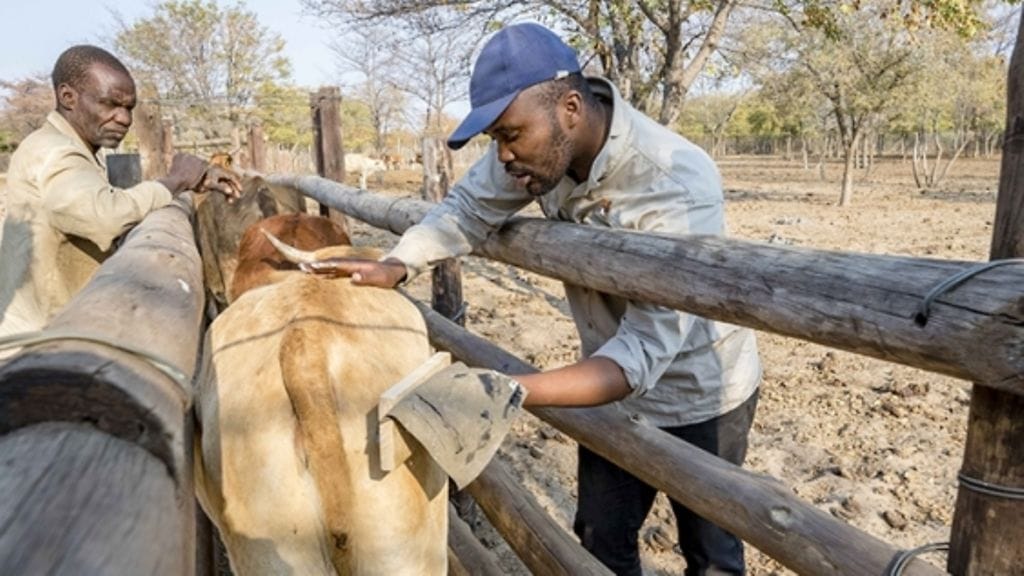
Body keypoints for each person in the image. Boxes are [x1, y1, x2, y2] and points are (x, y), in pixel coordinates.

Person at [304, 23, 761, 575]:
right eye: (495, 138)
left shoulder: (674, 183)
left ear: (571, 107)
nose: (503, 155)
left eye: (510, 134)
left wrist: (504, 390)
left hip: (700, 390)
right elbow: (466, 210)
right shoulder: (536, 153)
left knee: (712, 551)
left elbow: (644, 349)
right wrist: (398, 263)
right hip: (606, 385)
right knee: (601, 535)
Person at [0, 45, 240, 341]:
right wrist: (175, 181)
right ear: (67, 97)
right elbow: (104, 217)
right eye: (110, 104)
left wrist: (185, 183)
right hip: (36, 346)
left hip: (59, 330)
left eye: (128, 107)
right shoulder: (55, 152)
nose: (124, 118)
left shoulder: (76, 149)